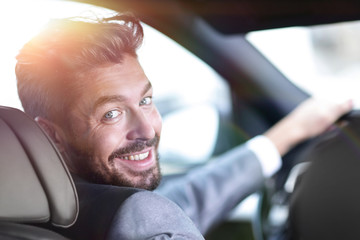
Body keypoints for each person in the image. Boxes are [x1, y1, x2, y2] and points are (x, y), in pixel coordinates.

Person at [15, 13, 352, 239]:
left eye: (146, 101)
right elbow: (150, 217)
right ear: (52, 135)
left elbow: (179, 202)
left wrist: (283, 137)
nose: (146, 130)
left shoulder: (39, 213)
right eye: (112, 114)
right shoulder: (143, 219)